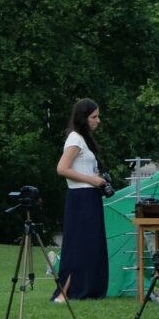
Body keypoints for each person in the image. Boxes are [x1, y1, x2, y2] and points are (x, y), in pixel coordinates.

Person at [54, 98, 109, 301]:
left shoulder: (83, 140)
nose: (98, 121)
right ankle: (65, 291)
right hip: (81, 196)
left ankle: (88, 288)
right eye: (94, 117)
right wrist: (92, 180)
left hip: (89, 195)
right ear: (83, 118)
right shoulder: (75, 139)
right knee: (78, 244)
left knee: (90, 244)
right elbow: (62, 169)